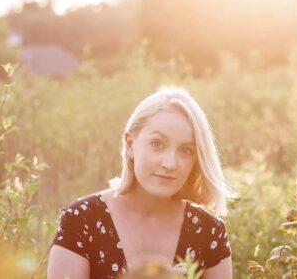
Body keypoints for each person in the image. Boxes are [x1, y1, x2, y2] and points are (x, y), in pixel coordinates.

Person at [47, 87, 235, 279]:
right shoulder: (82, 220)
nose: (170, 163)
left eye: (186, 150)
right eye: (157, 144)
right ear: (130, 144)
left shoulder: (208, 232)